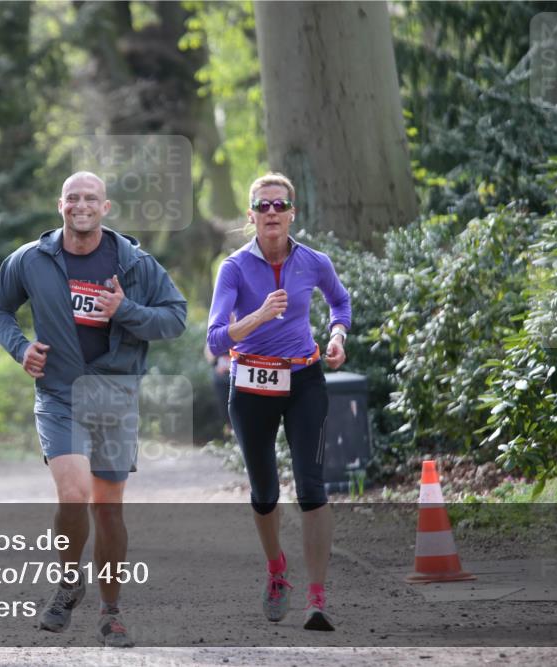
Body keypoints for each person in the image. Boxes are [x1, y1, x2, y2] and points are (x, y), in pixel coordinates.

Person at [0, 171, 187, 648]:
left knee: (109, 510)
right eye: (72, 197)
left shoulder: (134, 263)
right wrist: (20, 348)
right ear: (60, 205)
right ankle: (69, 581)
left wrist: (125, 311)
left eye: (90, 198)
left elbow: (175, 317)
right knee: (73, 494)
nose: (81, 205)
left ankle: (111, 610)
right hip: (59, 393)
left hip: (115, 396)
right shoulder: (32, 259)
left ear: (105, 207)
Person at [206, 172, 350, 632]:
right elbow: (215, 338)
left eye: (278, 205)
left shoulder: (314, 262)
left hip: (305, 380)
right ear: (250, 216)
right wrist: (258, 315)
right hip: (249, 385)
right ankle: (276, 571)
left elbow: (340, 303)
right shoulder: (232, 268)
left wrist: (337, 335)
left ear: (292, 213)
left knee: (312, 486)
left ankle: (318, 598)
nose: (271, 213)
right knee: (265, 493)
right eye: (262, 206)